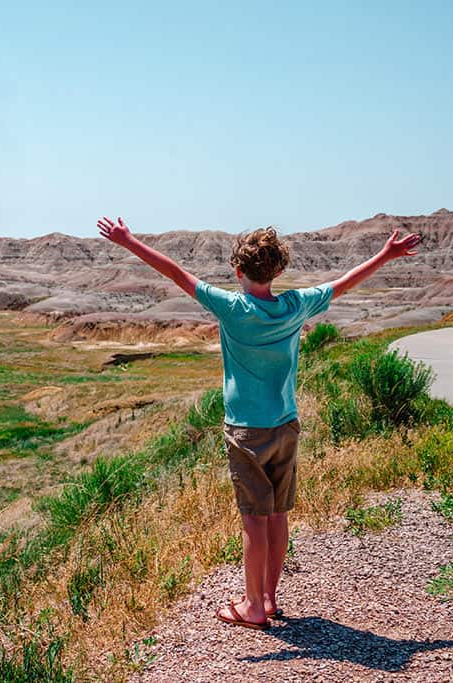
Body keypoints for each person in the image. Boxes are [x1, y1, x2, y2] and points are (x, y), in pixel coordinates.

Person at [97, 216, 421, 629]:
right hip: (286, 423)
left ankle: (253, 609)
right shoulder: (294, 305)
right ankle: (268, 597)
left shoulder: (231, 307)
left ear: (238, 270)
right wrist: (387, 254)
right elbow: (345, 284)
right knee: (278, 515)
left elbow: (175, 272)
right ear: (279, 271)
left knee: (253, 518)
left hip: (246, 431)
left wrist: (127, 241)